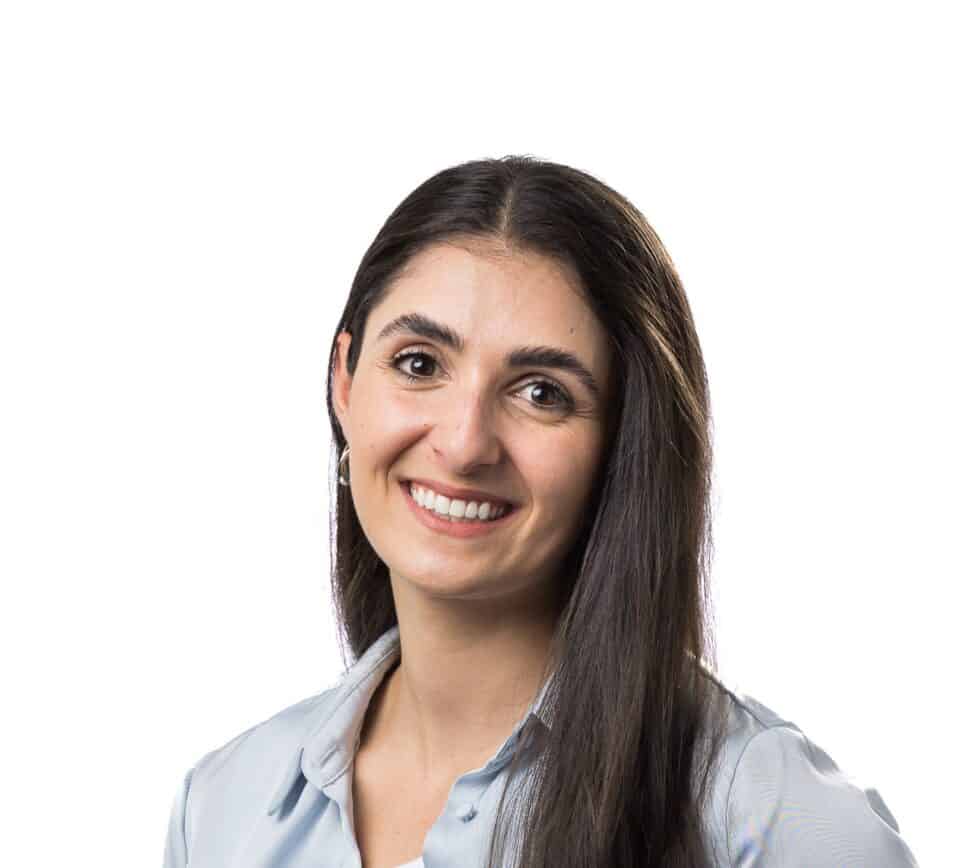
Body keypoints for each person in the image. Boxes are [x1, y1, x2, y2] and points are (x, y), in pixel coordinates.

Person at [162, 155, 919, 867]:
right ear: (345, 382)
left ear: (624, 442)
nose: (463, 445)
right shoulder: (224, 805)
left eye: (541, 393)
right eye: (419, 364)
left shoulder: (761, 813)